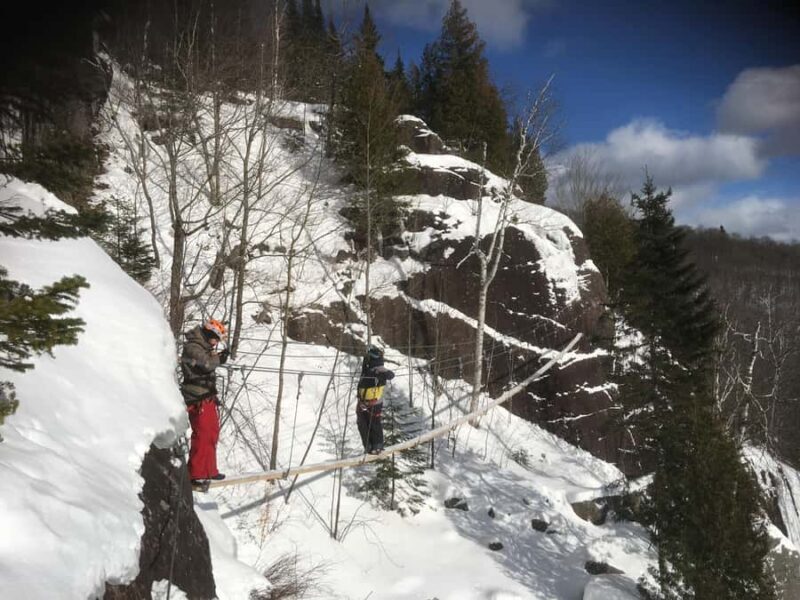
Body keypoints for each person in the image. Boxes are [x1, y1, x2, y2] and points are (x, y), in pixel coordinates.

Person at [181, 318, 229, 486]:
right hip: (196, 396)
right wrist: (219, 359)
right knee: (203, 433)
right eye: (215, 338)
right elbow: (206, 364)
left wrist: (219, 357)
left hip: (205, 395)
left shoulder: (204, 347)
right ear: (208, 334)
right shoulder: (193, 346)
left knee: (211, 432)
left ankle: (208, 470)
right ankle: (196, 473)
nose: (216, 342)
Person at [356, 345, 395, 455]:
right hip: (363, 402)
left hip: (374, 403)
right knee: (362, 424)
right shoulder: (367, 369)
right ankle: (368, 446)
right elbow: (365, 368)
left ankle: (377, 446)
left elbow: (391, 375)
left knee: (374, 424)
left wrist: (380, 374)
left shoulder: (379, 368)